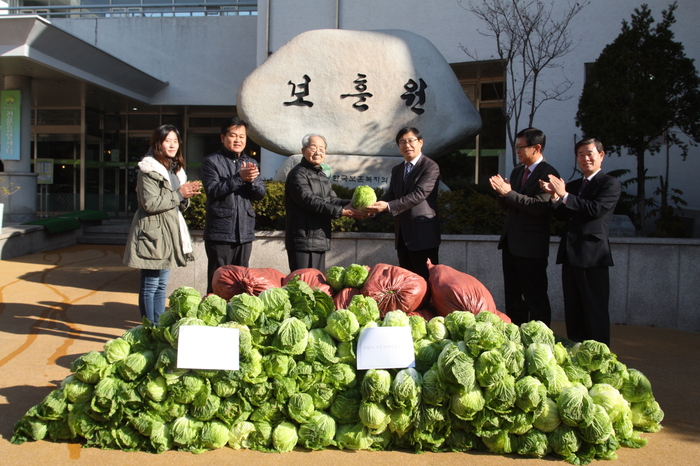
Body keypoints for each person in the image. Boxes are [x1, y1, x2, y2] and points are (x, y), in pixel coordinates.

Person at [540, 137, 621, 345]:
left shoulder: (610, 183)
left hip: (593, 256)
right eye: (580, 154)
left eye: (590, 153)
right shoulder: (575, 185)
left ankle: (600, 358)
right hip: (570, 254)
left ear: (601, 156)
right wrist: (555, 198)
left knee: (595, 310)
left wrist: (564, 195)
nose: (585, 158)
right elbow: (564, 216)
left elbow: (595, 210)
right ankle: (576, 353)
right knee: (573, 310)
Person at [124, 125, 202, 325]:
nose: (173, 145)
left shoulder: (175, 169)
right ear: (158, 143)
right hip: (153, 232)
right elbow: (150, 203)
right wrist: (179, 195)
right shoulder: (148, 169)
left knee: (161, 285)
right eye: (168, 140)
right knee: (150, 284)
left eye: (175, 141)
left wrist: (186, 196)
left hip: (169, 230)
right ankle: (149, 327)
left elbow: (176, 204)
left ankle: (158, 325)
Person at [489, 127, 560, 326]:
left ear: (536, 148)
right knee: (513, 297)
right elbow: (510, 205)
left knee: (535, 297)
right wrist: (501, 193)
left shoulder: (548, 173)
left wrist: (509, 193)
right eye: (516, 147)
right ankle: (516, 336)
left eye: (521, 147)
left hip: (531, 247)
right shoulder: (518, 171)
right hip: (511, 243)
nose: (517, 151)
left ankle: (540, 339)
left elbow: (539, 207)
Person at [365, 127, 441, 281]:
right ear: (399, 146)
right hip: (403, 236)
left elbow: (418, 195)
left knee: (426, 281)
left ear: (420, 142)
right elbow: (391, 195)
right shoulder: (397, 170)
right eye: (402, 142)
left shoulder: (430, 166)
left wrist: (387, 207)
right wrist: (374, 210)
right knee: (406, 283)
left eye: (411, 140)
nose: (407, 145)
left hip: (423, 235)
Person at [201, 116, 266, 294]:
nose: (238, 140)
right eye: (233, 135)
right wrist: (239, 178)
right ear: (223, 138)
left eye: (242, 136)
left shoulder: (251, 162)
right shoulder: (211, 161)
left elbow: (260, 193)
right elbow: (213, 190)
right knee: (219, 281)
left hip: (244, 233)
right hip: (220, 232)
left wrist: (252, 182)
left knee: (242, 283)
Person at [285, 133, 365, 272]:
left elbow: (333, 200)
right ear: (303, 151)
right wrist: (341, 212)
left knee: (316, 286)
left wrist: (354, 204)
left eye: (322, 149)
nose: (318, 152)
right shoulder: (298, 174)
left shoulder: (322, 176)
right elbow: (308, 200)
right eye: (313, 147)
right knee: (300, 284)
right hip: (302, 240)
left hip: (319, 239)